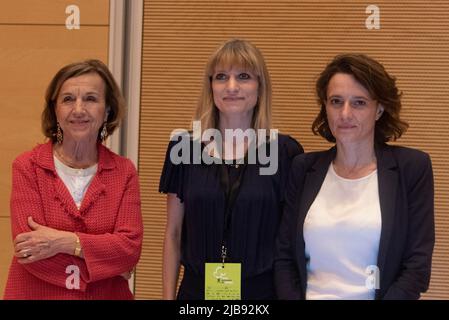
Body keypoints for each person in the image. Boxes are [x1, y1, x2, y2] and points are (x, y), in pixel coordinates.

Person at [275, 53, 435, 300]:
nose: (345, 114)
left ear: (379, 108)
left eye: (359, 102)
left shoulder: (411, 168)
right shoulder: (304, 168)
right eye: (336, 101)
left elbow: (416, 267)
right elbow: (284, 256)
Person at [159, 39, 303, 300]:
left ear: (260, 86)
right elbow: (173, 233)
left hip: (262, 295)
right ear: (211, 86)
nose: (232, 87)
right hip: (196, 294)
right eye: (221, 77)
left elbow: (291, 242)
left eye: (244, 77)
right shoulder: (184, 148)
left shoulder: (285, 153)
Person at [4, 59, 143, 299]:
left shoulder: (124, 172)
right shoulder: (27, 167)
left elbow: (129, 249)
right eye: (68, 99)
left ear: (107, 109)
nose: (78, 109)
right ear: (55, 109)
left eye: (90, 99)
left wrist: (64, 242)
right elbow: (28, 251)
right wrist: (106, 266)